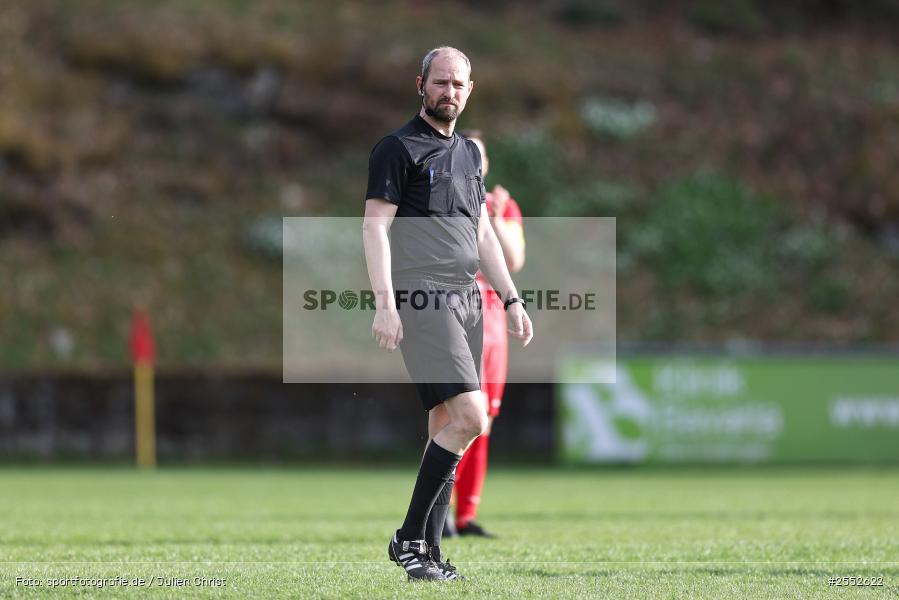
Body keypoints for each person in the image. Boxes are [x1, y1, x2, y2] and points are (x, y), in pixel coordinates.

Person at [362, 46, 533, 581]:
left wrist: (511, 298)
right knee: (472, 419)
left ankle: (430, 552)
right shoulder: (397, 148)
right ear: (421, 85)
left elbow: (482, 234)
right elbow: (374, 228)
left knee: (444, 422)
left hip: (467, 300)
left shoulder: (469, 155)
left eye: (458, 84)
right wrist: (385, 304)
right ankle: (410, 538)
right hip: (423, 295)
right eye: (440, 82)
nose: (449, 92)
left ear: (469, 90)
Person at [448, 131, 525, 538]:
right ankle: (440, 513)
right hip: (457, 312)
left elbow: (515, 259)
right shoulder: (442, 195)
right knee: (456, 414)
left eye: (479, 155)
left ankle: (465, 516)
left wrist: (493, 216)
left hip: (493, 320)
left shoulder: (502, 204)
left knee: (485, 420)